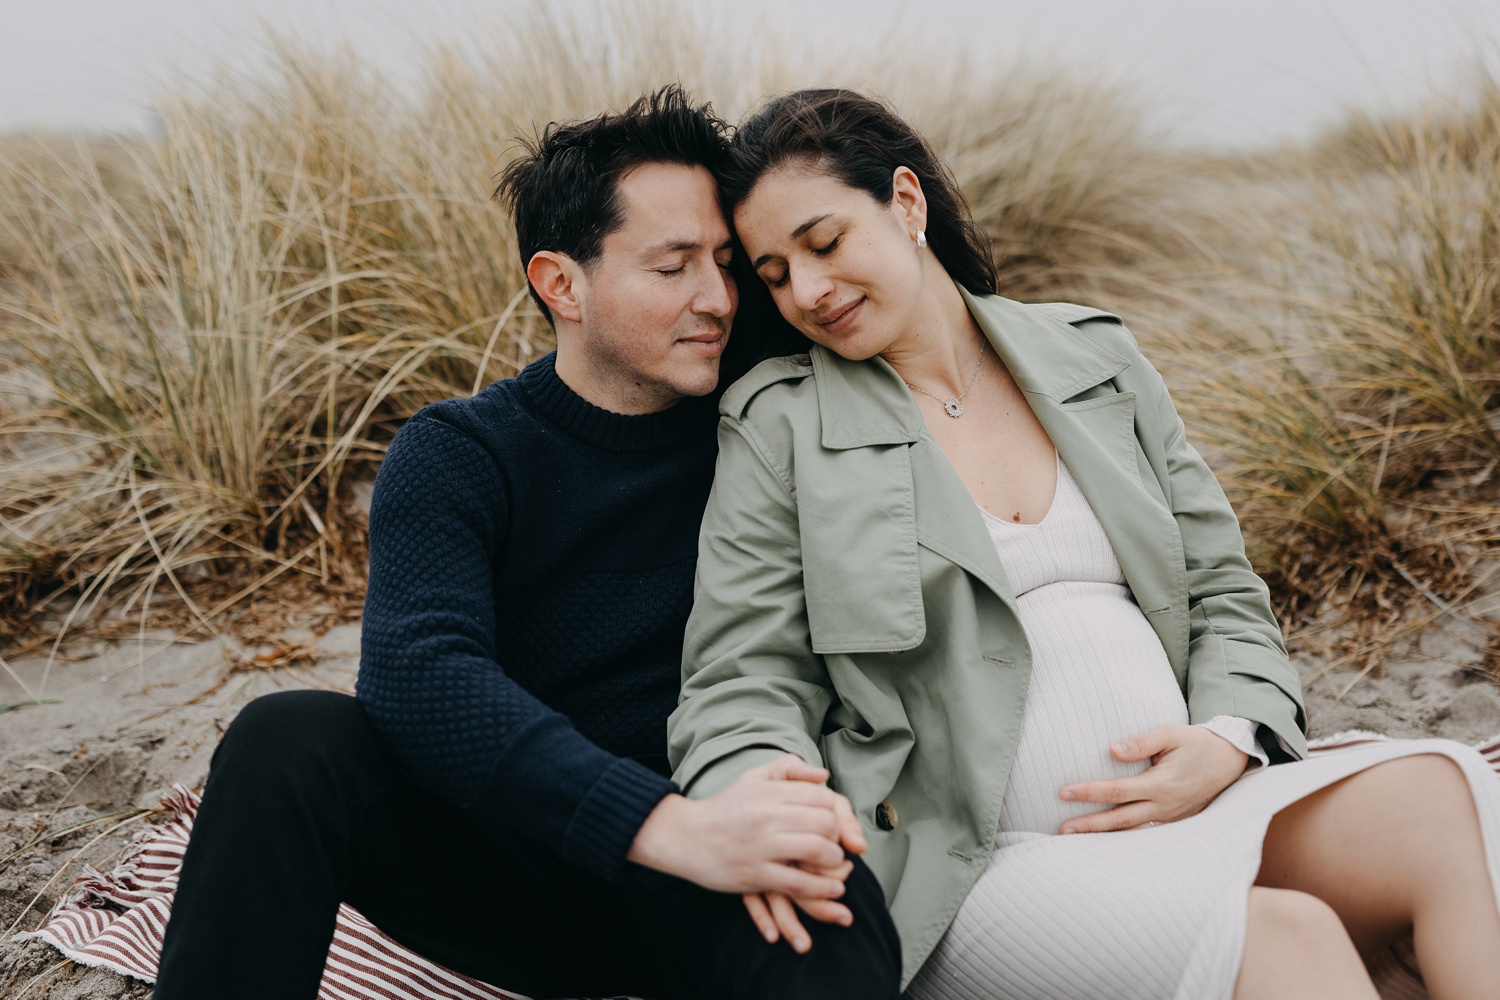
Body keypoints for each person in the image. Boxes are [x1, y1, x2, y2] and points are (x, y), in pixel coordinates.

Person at [668, 87, 1500, 1000]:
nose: (809, 291)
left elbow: (1224, 588)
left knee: (1447, 789)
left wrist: (1227, 739)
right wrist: (758, 802)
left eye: (823, 244)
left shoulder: (1094, 355)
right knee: (1284, 935)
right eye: (776, 274)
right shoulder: (779, 424)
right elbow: (741, 678)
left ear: (906, 203)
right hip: (982, 868)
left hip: (1202, 808)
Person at [152, 86, 901, 1000]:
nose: (717, 297)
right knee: (287, 740)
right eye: (672, 267)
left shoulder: (775, 407)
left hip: (726, 852)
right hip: (523, 860)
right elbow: (417, 674)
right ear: (562, 284)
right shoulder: (461, 451)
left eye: (724, 261)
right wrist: (665, 827)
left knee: (835, 909)